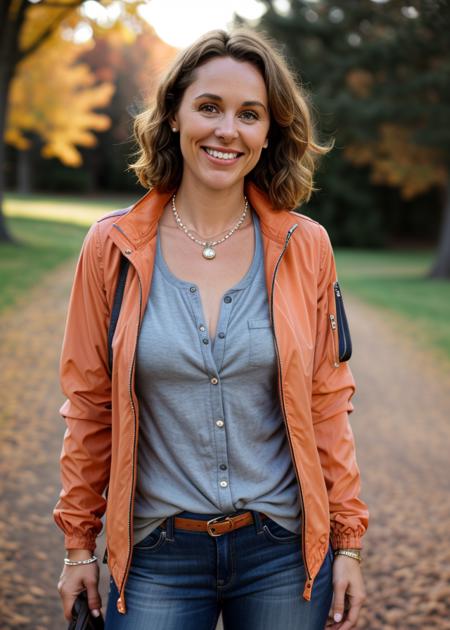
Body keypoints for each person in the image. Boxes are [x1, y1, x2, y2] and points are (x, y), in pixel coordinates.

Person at [55, 28, 369, 630]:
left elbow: (329, 403)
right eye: (209, 107)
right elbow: (89, 406)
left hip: (282, 550)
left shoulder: (305, 247)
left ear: (269, 132)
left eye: (249, 114)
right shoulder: (112, 247)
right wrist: (77, 546)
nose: (228, 130)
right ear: (174, 115)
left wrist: (349, 542)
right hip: (154, 555)